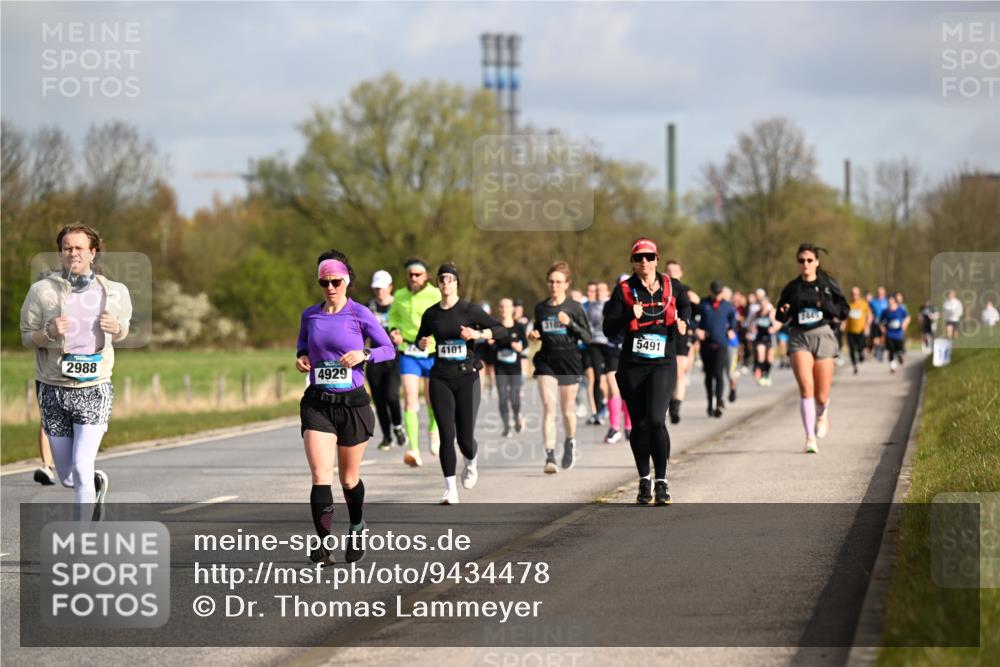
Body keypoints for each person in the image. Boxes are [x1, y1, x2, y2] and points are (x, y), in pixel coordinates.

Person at [20, 223, 133, 518]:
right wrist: (48, 332)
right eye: (67, 247)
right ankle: (93, 485)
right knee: (69, 475)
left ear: (93, 252)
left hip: (94, 388)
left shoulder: (115, 292)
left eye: (79, 247)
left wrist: (116, 328)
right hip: (53, 389)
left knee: (82, 468)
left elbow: (124, 331)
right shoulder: (41, 291)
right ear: (60, 252)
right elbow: (26, 337)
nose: (73, 253)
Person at [296, 250, 395, 565]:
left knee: (349, 480)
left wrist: (364, 355)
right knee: (320, 474)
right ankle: (324, 546)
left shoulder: (360, 314)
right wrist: (301, 360)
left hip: (352, 404)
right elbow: (303, 347)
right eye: (324, 282)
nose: (330, 287)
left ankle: (357, 525)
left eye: (335, 281)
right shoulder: (310, 315)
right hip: (319, 403)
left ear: (347, 281)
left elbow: (388, 349)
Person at [603, 238, 691, 505]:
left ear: (657, 259)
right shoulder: (623, 291)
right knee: (639, 425)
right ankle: (644, 481)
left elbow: (686, 305)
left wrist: (684, 321)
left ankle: (662, 481)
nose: (645, 262)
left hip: (662, 362)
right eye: (639, 257)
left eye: (649, 257)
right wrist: (630, 313)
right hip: (633, 366)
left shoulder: (672, 286)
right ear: (632, 261)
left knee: (655, 419)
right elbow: (609, 329)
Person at [416, 264, 507, 504]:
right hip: (440, 377)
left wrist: (478, 335)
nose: (446, 283)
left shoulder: (470, 310)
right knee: (447, 434)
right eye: (442, 279)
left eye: (450, 279)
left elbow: (500, 330)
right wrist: (422, 343)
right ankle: (450, 489)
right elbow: (420, 338)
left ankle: (471, 461)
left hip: (467, 377)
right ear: (438, 284)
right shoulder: (431, 314)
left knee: (465, 437)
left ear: (457, 283)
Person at [776, 243, 849, 454]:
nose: (805, 264)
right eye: (801, 260)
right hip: (799, 338)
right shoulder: (792, 288)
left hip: (824, 336)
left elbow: (844, 310)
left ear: (817, 262)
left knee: (822, 396)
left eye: (809, 260)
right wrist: (784, 310)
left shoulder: (828, 285)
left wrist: (826, 307)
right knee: (806, 388)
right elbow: (779, 316)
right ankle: (809, 438)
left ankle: (822, 413)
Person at [528, 261, 592, 474]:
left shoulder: (575, 307)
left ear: (567, 284)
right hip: (547, 360)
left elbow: (587, 336)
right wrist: (533, 335)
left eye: (558, 282)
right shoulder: (541, 307)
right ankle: (550, 456)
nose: (554, 285)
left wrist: (570, 324)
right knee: (549, 407)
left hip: (569, 360)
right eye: (551, 281)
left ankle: (570, 442)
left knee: (567, 410)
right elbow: (538, 331)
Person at [387, 258, 441, 467]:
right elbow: (393, 318)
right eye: (410, 275)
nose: (414, 278)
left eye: (418, 274)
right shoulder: (399, 296)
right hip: (408, 351)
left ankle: (434, 431)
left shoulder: (435, 294)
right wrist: (394, 331)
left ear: (426, 276)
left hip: (432, 351)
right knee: (410, 399)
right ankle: (414, 450)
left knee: (432, 399)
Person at [367, 270, 406, 451]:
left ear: (390, 287)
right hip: (374, 358)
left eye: (382, 288)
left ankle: (397, 426)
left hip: (393, 357)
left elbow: (408, 328)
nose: (379, 292)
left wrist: (401, 338)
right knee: (379, 400)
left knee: (391, 395)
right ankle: (387, 436)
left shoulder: (398, 306)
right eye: (376, 288)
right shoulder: (369, 307)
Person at [665, 260, 700, 424]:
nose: (672, 273)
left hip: (681, 334)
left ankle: (675, 407)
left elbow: (698, 311)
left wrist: (696, 301)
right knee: (666, 373)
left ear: (681, 272)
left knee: (679, 372)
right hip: (664, 334)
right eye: (669, 270)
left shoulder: (685, 290)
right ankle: (667, 401)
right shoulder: (661, 287)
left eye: (675, 270)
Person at [697, 281, 737, 418]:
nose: (717, 295)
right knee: (708, 376)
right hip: (706, 344)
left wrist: (731, 329)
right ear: (710, 291)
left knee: (719, 374)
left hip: (721, 344)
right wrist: (697, 329)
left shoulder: (727, 306)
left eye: (719, 293)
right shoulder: (703, 304)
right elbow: (692, 318)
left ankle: (719, 402)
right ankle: (710, 403)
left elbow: (733, 320)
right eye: (715, 292)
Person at [491, 298, 528, 437]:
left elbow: (525, 344)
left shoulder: (518, 327)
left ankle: (517, 415)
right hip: (500, 367)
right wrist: (491, 344)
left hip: (515, 367)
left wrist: (520, 346)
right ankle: (506, 425)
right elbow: (489, 348)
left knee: (514, 397)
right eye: (501, 306)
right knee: (502, 397)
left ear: (512, 309)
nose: (503, 309)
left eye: (506, 307)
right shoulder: (495, 326)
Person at [583, 281, 608, 425]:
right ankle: (599, 411)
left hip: (609, 345)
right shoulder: (589, 307)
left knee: (609, 380)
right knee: (597, 378)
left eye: (601, 290)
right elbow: (586, 326)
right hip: (594, 345)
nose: (598, 293)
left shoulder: (611, 305)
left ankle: (607, 402)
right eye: (596, 291)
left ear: (607, 291)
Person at [752, 295, 780, 385]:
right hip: (760, 337)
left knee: (769, 358)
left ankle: (766, 374)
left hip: (770, 337)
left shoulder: (771, 313)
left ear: (767, 304)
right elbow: (750, 323)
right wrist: (751, 329)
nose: (763, 305)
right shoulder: (756, 313)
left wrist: (774, 328)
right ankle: (761, 372)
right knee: (761, 355)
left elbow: (779, 323)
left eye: (764, 303)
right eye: (761, 303)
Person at [844, 286, 873, 375]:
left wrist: (867, 325)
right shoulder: (848, 305)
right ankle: (854, 366)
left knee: (860, 347)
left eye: (856, 294)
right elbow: (844, 317)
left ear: (859, 295)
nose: (854, 296)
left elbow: (869, 315)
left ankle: (861, 354)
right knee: (852, 349)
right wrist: (843, 324)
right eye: (852, 294)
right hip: (850, 331)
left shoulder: (863, 304)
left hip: (860, 330)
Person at [879, 294, 911, 374]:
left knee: (899, 349)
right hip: (889, 333)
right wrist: (882, 328)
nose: (890, 304)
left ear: (895, 302)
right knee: (891, 350)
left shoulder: (900, 310)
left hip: (898, 333)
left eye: (891, 302)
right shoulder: (885, 311)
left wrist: (904, 324)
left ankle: (900, 356)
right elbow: (880, 321)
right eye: (889, 302)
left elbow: (908, 317)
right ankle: (892, 366)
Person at [869, 287, 889, 360]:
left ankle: (880, 350)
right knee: (875, 339)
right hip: (876, 322)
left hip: (885, 322)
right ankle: (877, 350)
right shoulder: (873, 302)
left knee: (883, 338)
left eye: (881, 293)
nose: (880, 294)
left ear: (884, 293)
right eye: (879, 293)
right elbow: (870, 312)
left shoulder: (887, 302)